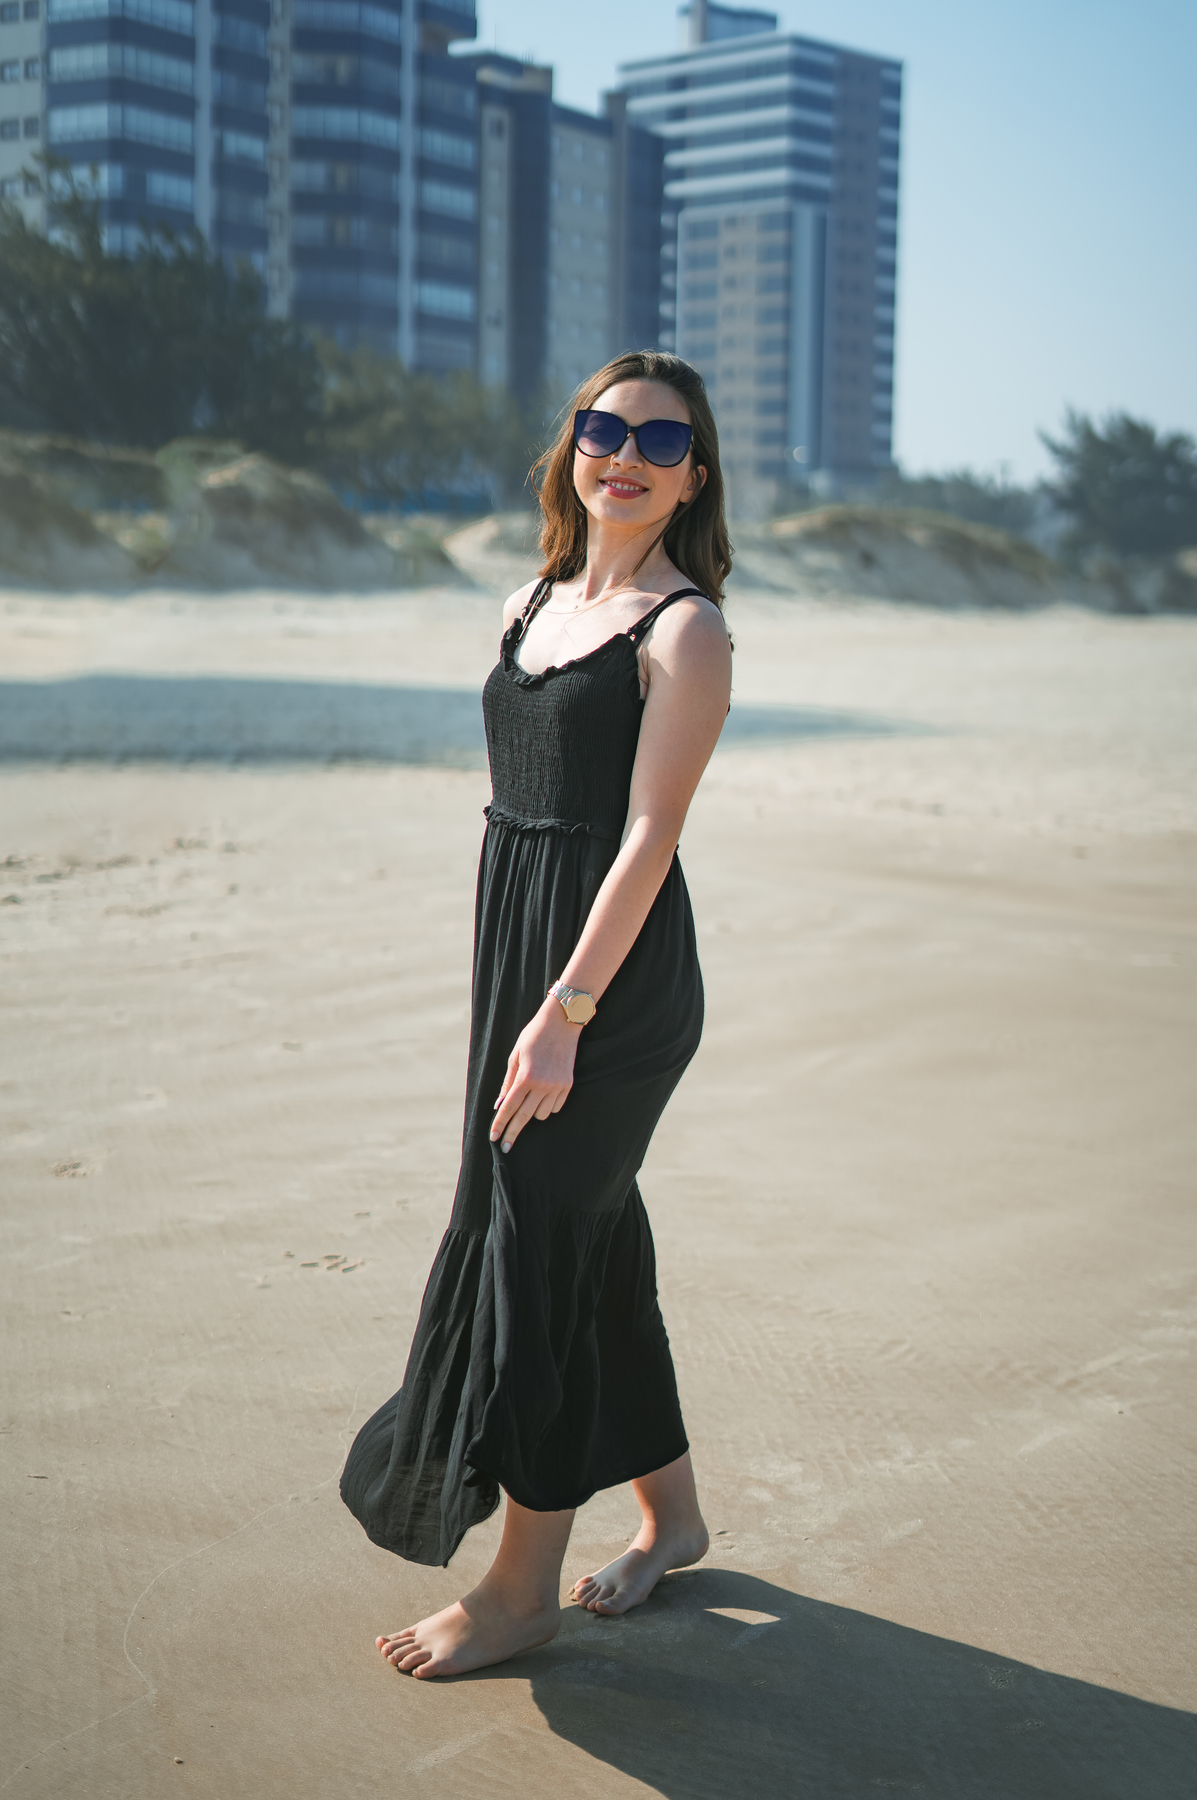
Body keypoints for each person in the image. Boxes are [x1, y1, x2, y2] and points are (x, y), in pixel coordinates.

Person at [340, 349, 734, 1679]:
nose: (626, 452)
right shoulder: (529, 600)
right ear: (573, 445)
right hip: (520, 949)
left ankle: (522, 1588)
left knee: (540, 1249)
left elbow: (648, 834)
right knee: (585, 1229)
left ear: (692, 479)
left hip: (607, 984)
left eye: (660, 440)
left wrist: (565, 1009)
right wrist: (526, 988)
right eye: (603, 426)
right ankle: (672, 1518)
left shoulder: (686, 630)